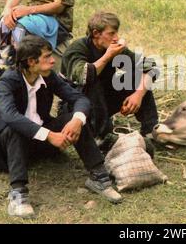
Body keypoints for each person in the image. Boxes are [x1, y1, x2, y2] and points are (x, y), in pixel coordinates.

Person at [0, 35, 122, 219]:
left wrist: (77, 120)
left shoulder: (48, 76)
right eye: (47, 57)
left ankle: (99, 177)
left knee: (74, 117)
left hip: (39, 144)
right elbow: (10, 116)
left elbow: (79, 98)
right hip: (7, 151)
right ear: (31, 61)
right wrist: (48, 135)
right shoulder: (7, 82)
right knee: (15, 127)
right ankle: (18, 194)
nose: (53, 60)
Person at [61, 11, 159, 154]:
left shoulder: (114, 49)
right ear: (96, 33)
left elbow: (151, 67)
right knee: (93, 82)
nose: (116, 38)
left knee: (136, 78)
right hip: (76, 107)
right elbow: (84, 76)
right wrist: (108, 56)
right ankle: (102, 137)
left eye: (116, 33)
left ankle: (150, 130)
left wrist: (137, 95)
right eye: (111, 34)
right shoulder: (78, 49)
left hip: (102, 101)